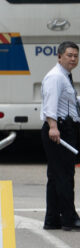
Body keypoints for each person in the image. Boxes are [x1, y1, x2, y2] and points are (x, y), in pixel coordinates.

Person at [40, 41, 80, 231]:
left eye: (76, 56)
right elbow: (51, 103)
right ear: (59, 56)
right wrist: (53, 127)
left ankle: (53, 219)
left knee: (56, 176)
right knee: (64, 175)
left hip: (64, 127)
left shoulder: (64, 76)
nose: (73, 59)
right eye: (69, 55)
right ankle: (69, 218)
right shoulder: (55, 77)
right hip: (59, 129)